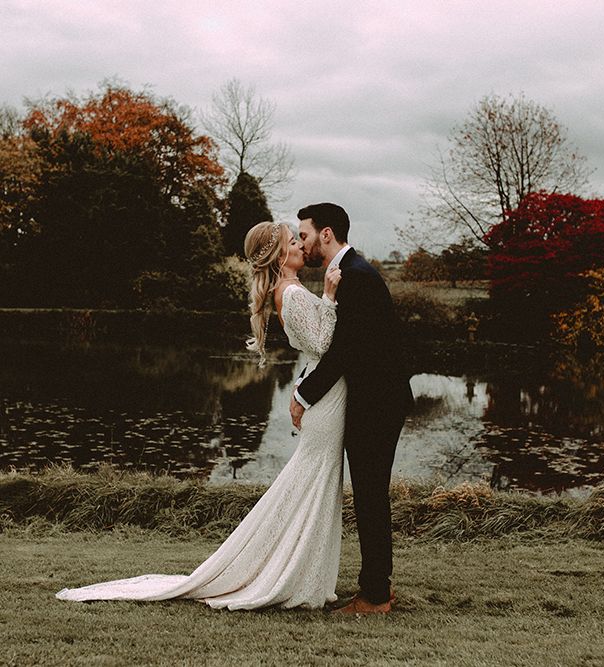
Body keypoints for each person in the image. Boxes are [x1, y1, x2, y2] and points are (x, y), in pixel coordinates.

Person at [55, 221, 347, 610]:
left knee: (314, 483)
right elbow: (323, 342)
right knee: (312, 482)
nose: (299, 245)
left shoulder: (289, 289)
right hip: (324, 403)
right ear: (279, 254)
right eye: (292, 241)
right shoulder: (291, 293)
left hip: (322, 395)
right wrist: (328, 296)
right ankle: (288, 574)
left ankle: (299, 570)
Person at [292, 203, 413, 615]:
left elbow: (345, 350)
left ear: (326, 234)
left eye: (304, 234)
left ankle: (375, 596)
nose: (302, 243)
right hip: (375, 400)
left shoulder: (357, 277)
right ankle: (377, 587)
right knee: (369, 496)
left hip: (376, 404)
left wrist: (303, 395)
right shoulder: (350, 272)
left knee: (370, 497)